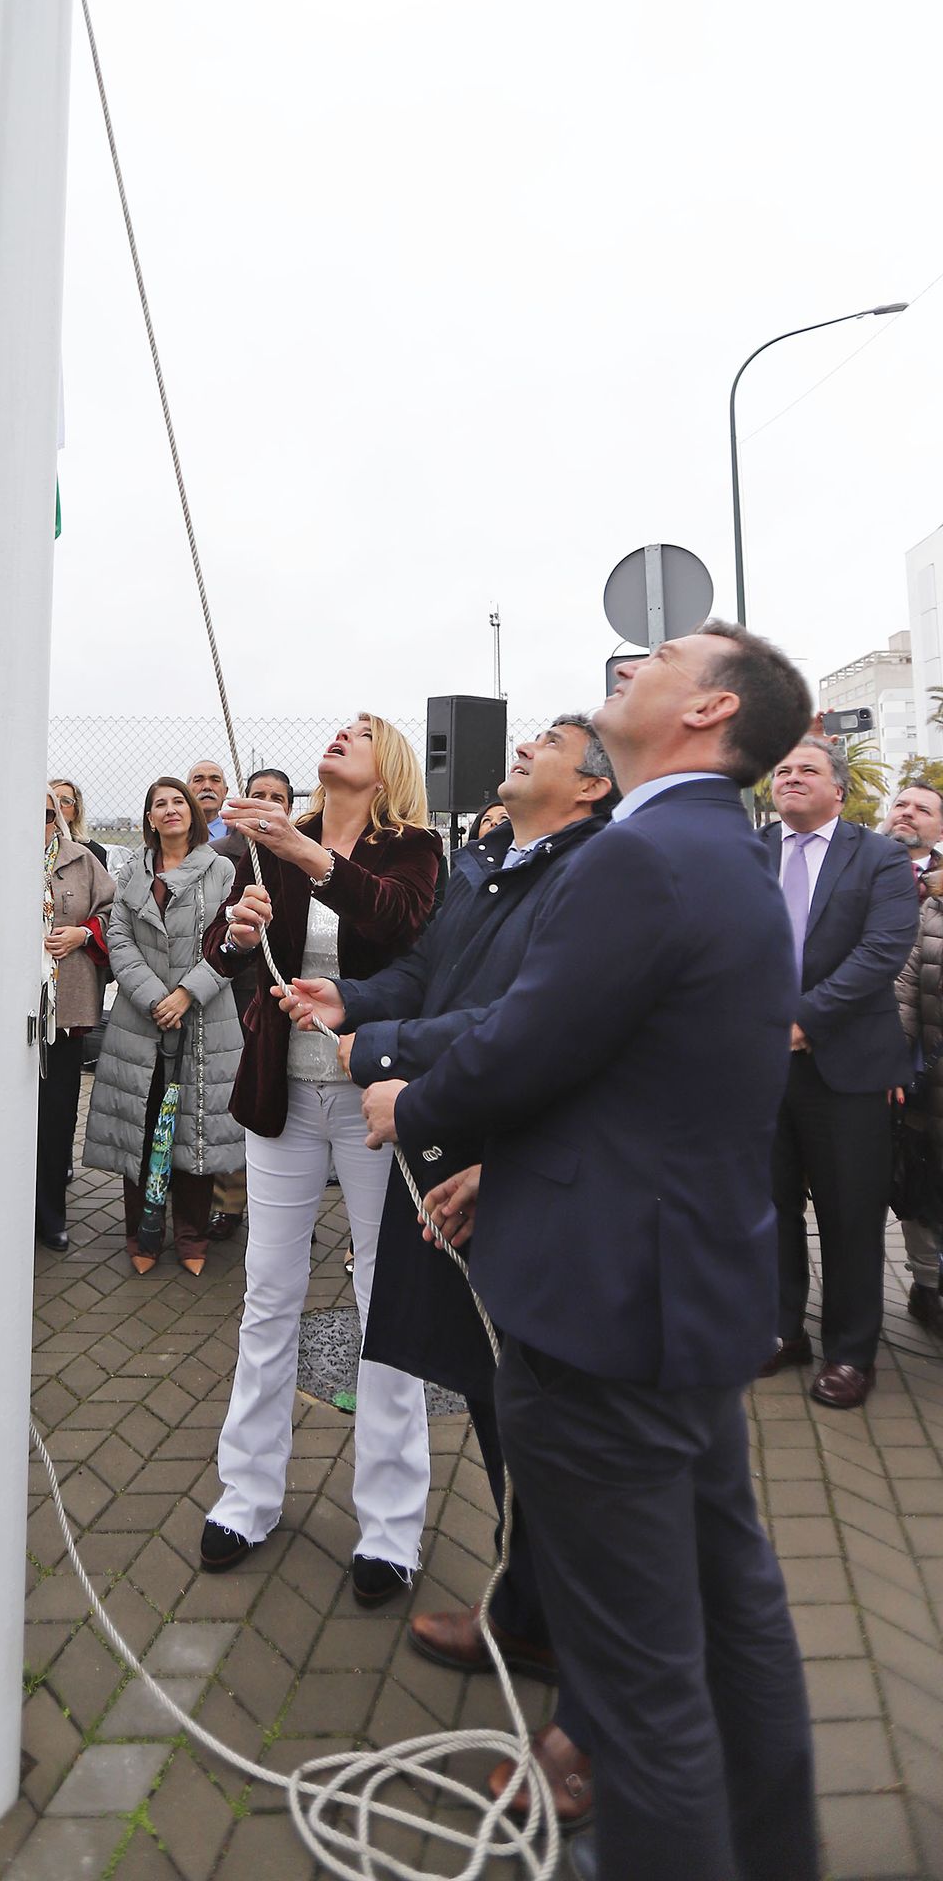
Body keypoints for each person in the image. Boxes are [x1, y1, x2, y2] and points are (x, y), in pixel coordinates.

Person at [359, 621, 819, 1881]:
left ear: (710, 710)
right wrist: (506, 1164)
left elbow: (531, 1038)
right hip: (681, 1301)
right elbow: (646, 1073)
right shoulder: (717, 847)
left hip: (606, 1316)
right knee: (736, 1624)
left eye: (662, 656)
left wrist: (421, 1103)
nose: (629, 667)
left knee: (639, 1683)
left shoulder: (643, 857)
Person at [288, 717, 616, 1828]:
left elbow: (521, 1021)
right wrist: (357, 1004)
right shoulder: (489, 860)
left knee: (555, 1431)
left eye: (553, 741)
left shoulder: (591, 873)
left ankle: (590, 1692)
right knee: (489, 1390)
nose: (519, 743)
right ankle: (521, 1609)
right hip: (450, 1153)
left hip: (511, 1159)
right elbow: (430, 972)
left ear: (592, 787)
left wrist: (385, 1062)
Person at [196, 717, 443, 1602]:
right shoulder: (268, 843)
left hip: (372, 1103)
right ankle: (247, 1494)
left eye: (362, 732)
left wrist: (307, 855)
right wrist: (233, 932)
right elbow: (228, 961)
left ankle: (389, 1528)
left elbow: (403, 924)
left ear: (389, 768)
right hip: (285, 1096)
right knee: (268, 1292)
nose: (340, 735)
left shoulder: (413, 849)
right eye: (337, 727)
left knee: (386, 1301)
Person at [761, 734, 916, 1408]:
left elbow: (883, 950)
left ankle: (851, 1353)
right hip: (758, 1065)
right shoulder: (752, 852)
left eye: (808, 770)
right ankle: (781, 1330)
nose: (792, 777)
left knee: (850, 1213)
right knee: (767, 1207)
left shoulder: (879, 856)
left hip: (846, 1066)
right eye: (784, 770)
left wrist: (804, 1022)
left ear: (839, 790)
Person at [83, 778, 240, 1275]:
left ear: (193, 813)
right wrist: (157, 998)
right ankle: (141, 1233)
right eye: (159, 805)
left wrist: (188, 992)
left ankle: (192, 1236)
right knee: (142, 1122)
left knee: (193, 1127)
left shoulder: (222, 869)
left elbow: (232, 939)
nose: (170, 810)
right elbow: (119, 938)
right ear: (149, 818)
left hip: (204, 1014)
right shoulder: (131, 872)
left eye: (178, 802)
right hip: (140, 1018)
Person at [207, 767, 296, 1246]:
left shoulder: (301, 852)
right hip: (228, 993)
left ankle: (283, 1207)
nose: (266, 802)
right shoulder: (218, 856)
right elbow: (212, 937)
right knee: (233, 1107)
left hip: (275, 1002)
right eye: (257, 794)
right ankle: (229, 1204)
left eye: (276, 796)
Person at [39, 788, 114, 1250]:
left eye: (47, 814)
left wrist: (83, 933)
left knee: (57, 1110)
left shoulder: (82, 860)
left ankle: (49, 1215)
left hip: (64, 1009)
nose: (39, 822)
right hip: (7, 1010)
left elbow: (114, 914)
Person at [896, 864, 943, 1343]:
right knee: (924, 1187)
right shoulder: (929, 913)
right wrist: (897, 1060)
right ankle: (927, 1288)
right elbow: (905, 992)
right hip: (928, 1082)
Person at [884, 778, 943, 893]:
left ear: (941, 833)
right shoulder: (851, 866)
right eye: (900, 805)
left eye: (923, 810)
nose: (907, 812)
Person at [51, 777, 108, 869]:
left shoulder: (93, 853)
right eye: (52, 799)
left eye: (66, 801)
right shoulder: (28, 845)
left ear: (76, 813)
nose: (58, 805)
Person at [187, 759, 230, 841]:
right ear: (187, 791)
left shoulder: (241, 836)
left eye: (215, 780)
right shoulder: (173, 834)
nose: (207, 787)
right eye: (198, 780)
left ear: (225, 792)